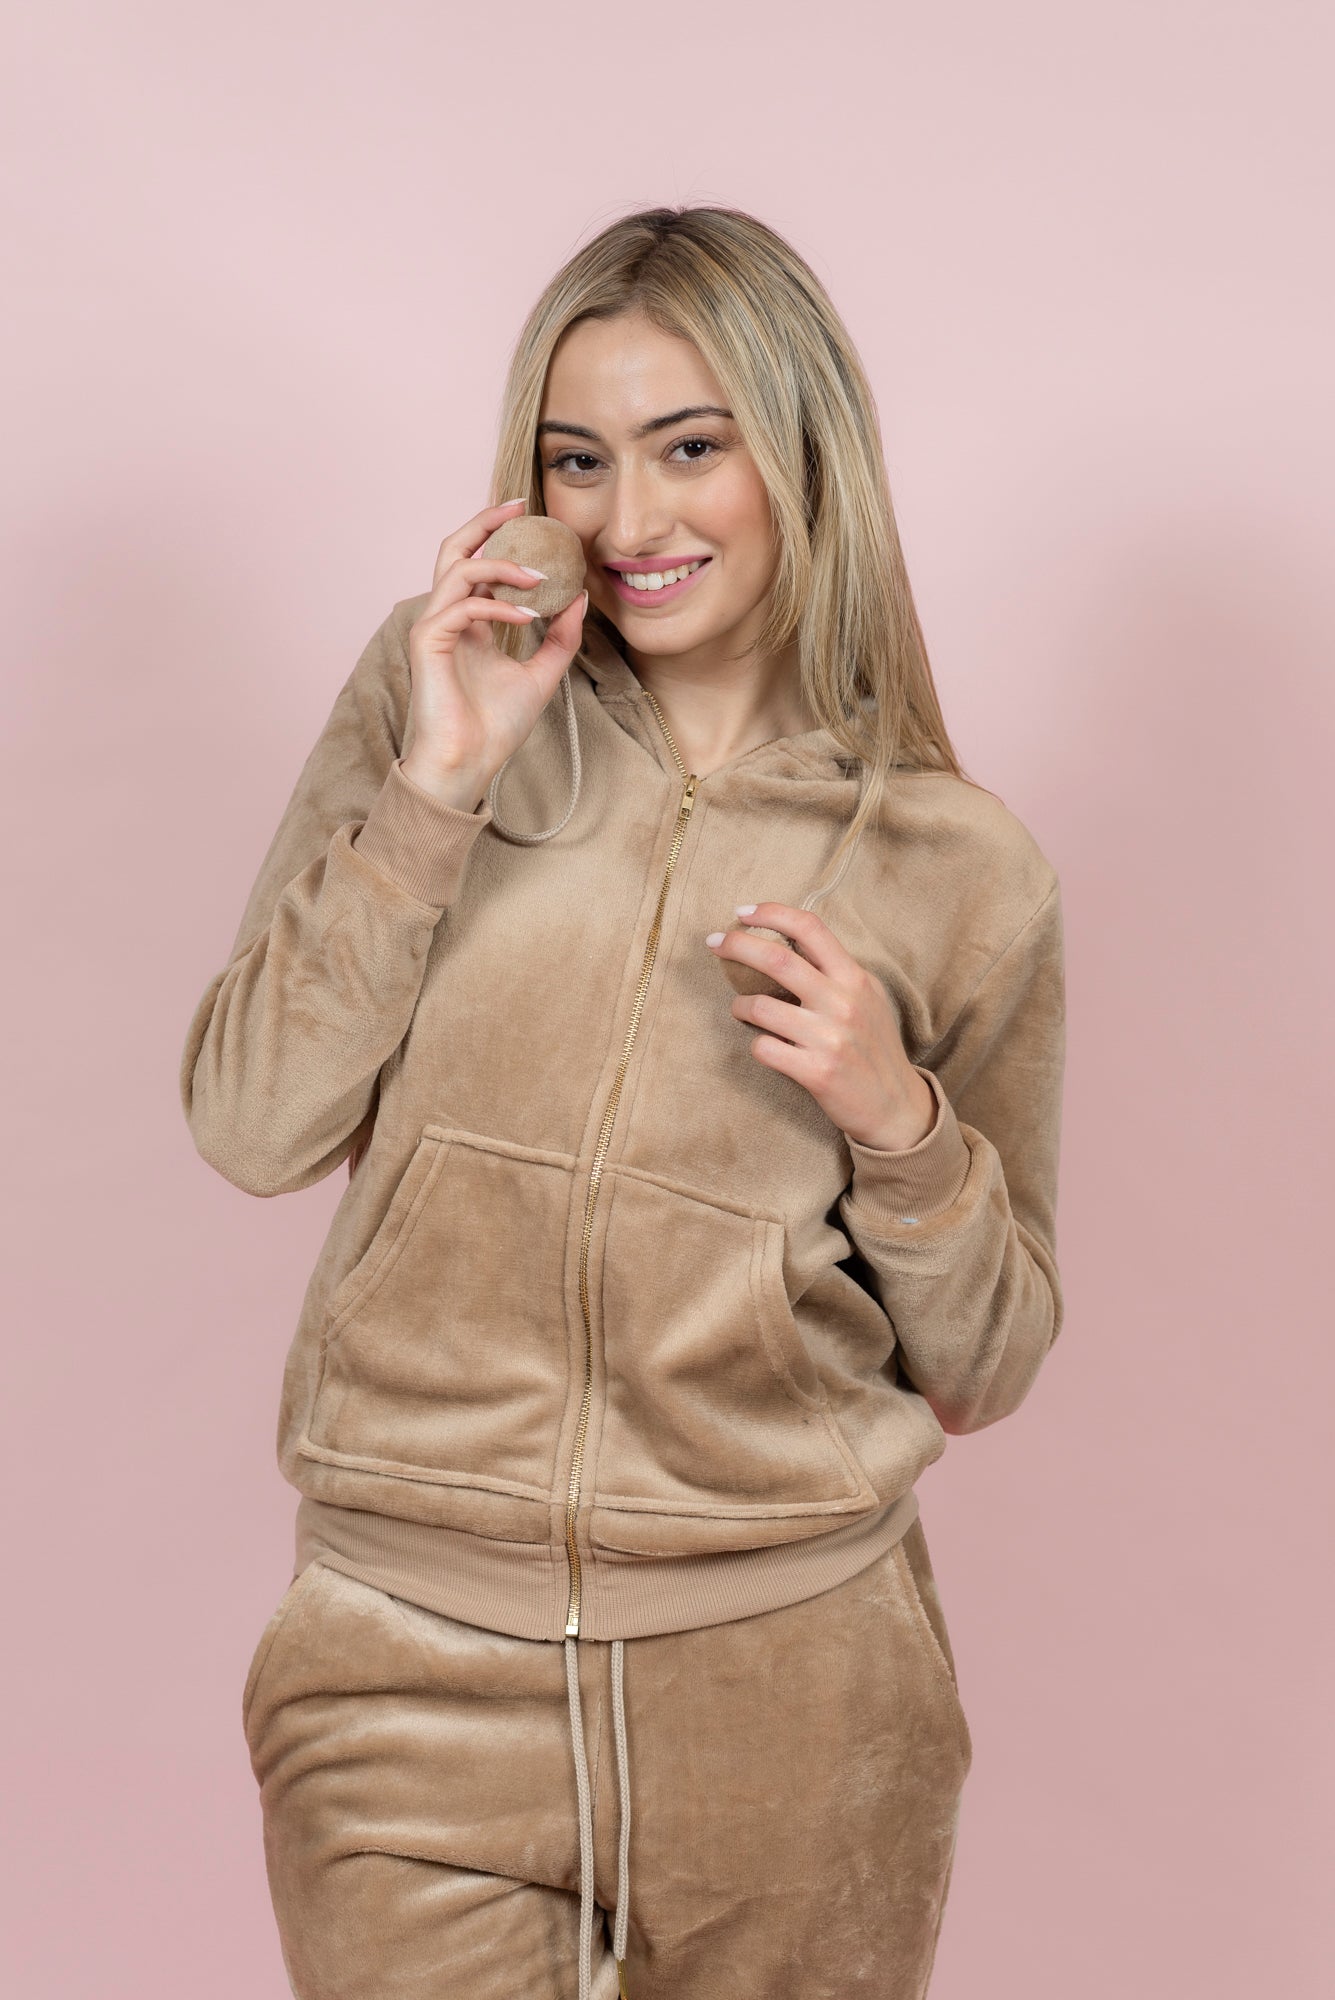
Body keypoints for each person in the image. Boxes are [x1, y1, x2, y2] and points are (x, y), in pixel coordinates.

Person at [180, 203, 1067, 2000]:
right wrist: (439, 788)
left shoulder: (958, 863)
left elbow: (987, 1363)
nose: (631, 520)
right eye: (577, 460)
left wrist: (898, 1122)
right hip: (403, 1668)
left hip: (798, 1693)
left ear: (800, 457)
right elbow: (253, 1119)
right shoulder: (438, 697)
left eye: (691, 448)